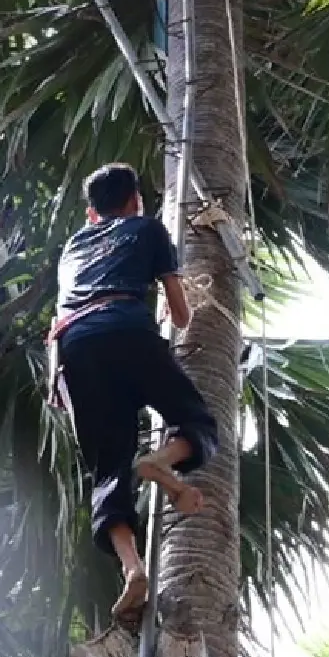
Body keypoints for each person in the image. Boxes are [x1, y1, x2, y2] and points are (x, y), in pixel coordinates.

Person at [49, 162, 219, 620]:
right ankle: (159, 462)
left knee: (108, 468)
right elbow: (181, 316)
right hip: (126, 327)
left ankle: (133, 569)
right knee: (198, 421)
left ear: (92, 212)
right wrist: (169, 306)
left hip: (76, 347)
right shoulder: (148, 229)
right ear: (135, 201)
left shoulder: (72, 246)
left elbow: (66, 308)